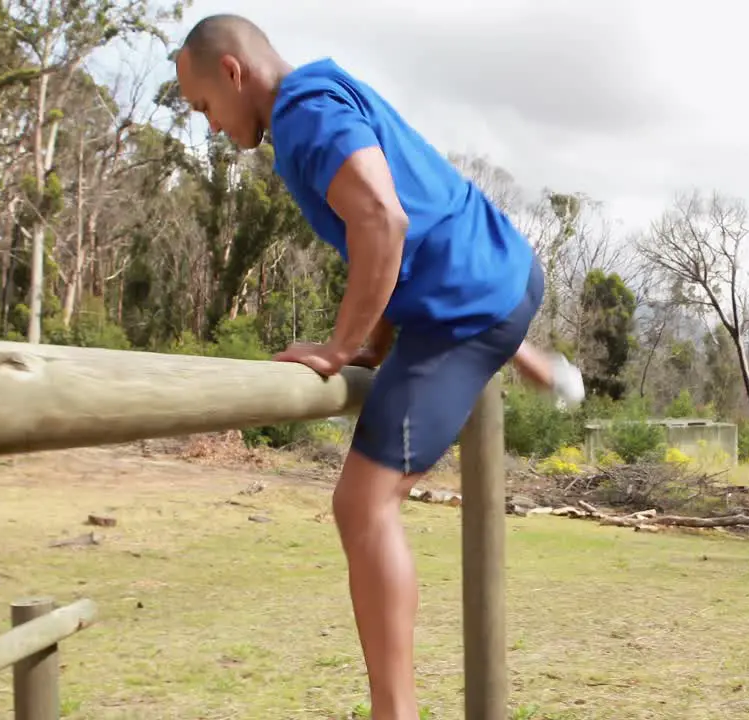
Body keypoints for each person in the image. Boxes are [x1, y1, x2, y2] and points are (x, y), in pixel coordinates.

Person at [173, 14, 583, 719]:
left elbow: (384, 224)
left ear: (233, 74)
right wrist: (367, 345)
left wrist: (339, 347)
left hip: (468, 304)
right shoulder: (327, 91)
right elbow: (408, 226)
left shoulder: (304, 114)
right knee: (374, 454)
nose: (210, 127)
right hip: (493, 273)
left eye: (205, 106)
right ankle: (526, 355)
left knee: (362, 505)